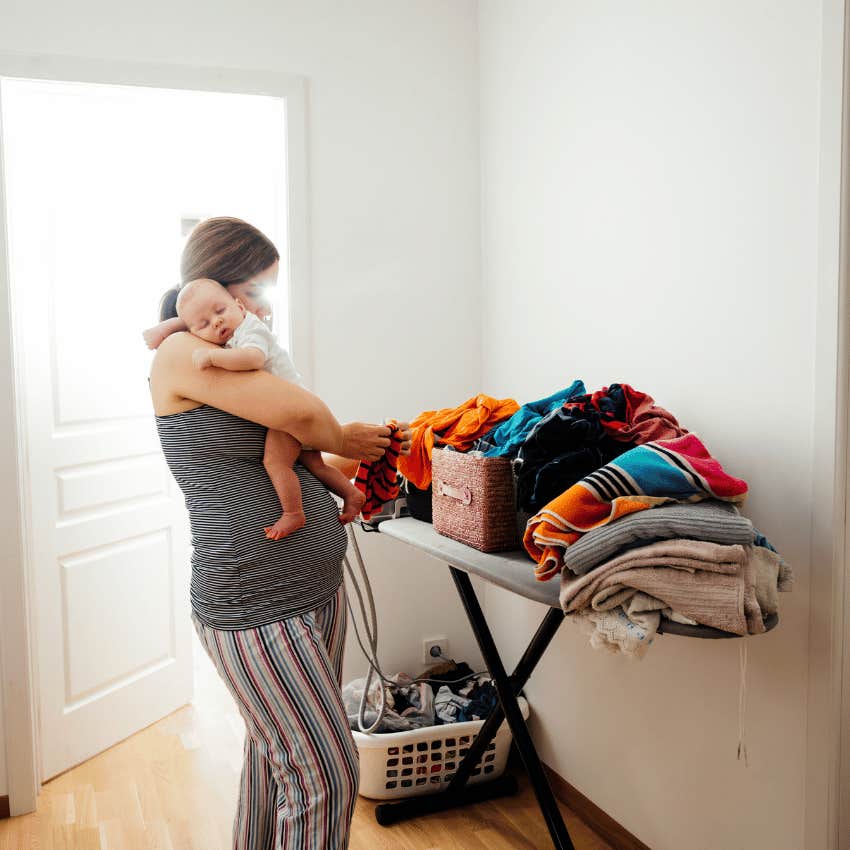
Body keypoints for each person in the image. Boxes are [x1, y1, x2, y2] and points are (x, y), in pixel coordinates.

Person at [148, 217, 410, 849]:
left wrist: (354, 463)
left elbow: (288, 457)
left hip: (314, 590)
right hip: (253, 601)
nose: (260, 304)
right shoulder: (182, 348)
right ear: (215, 281)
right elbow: (303, 414)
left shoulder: (243, 352)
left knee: (278, 765)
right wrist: (338, 434)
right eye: (253, 288)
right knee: (325, 772)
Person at [172, 276, 366, 539]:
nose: (216, 321)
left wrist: (213, 356)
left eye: (220, 311)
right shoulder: (232, 334)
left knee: (275, 463)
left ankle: (293, 513)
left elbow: (253, 359)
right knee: (316, 466)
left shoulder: (250, 330)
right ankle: (351, 493)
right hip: (294, 410)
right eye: (204, 324)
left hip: (289, 414)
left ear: (240, 307)